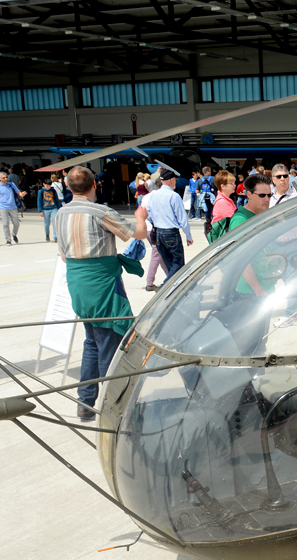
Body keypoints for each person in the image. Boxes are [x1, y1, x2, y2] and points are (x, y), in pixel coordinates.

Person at [54, 166, 148, 421]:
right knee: (112, 344)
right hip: (102, 284)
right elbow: (137, 234)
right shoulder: (99, 211)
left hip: (78, 285)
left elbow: (63, 254)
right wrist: (141, 216)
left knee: (92, 342)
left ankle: (85, 401)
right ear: (94, 185)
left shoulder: (60, 213)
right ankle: (112, 406)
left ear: (69, 186)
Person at [142, 166, 192, 283]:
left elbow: (148, 215)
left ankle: (172, 287)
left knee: (169, 264)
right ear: (171, 180)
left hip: (158, 232)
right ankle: (165, 286)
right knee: (178, 263)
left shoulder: (154, 195)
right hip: (171, 232)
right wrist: (188, 236)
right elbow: (182, 219)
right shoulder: (174, 196)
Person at [0, 172, 27, 245]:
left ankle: (14, 234)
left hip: (13, 207)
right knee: (5, 224)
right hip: (3, 207)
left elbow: (18, 193)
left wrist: (22, 194)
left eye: (6, 177)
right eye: (4, 178)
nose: (6, 179)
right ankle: (8, 239)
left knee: (16, 223)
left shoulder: (11, 184)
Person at [38, 178, 62, 242]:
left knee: (55, 222)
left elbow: (57, 200)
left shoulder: (53, 191)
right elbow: (39, 201)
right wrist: (40, 211)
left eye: (49, 186)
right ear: (43, 184)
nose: (48, 187)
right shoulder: (41, 191)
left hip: (54, 208)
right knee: (46, 223)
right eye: (47, 186)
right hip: (45, 210)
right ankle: (47, 234)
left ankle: (55, 236)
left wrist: (59, 208)